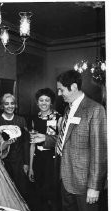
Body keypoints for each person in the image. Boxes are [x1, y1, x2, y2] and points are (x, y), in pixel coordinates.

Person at [32, 70, 107, 211]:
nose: (59, 94)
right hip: (64, 179)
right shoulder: (68, 108)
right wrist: (46, 138)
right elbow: (67, 140)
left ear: (73, 87)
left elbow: (99, 152)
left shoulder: (95, 109)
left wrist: (94, 187)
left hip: (84, 183)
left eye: (61, 90)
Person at [29, 88, 62, 211]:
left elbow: (62, 141)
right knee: (38, 194)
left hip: (52, 161)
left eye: (47, 100)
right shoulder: (34, 119)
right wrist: (31, 167)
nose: (44, 103)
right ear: (37, 102)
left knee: (52, 196)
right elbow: (32, 144)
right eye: (41, 100)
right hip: (38, 160)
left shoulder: (58, 118)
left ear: (51, 102)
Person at [0, 93, 30, 203]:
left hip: (19, 161)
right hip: (3, 162)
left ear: (15, 105)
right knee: (5, 191)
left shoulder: (21, 120)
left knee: (21, 191)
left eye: (12, 103)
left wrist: (26, 163)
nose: (10, 106)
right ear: (2, 106)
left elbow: (25, 143)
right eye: (6, 104)